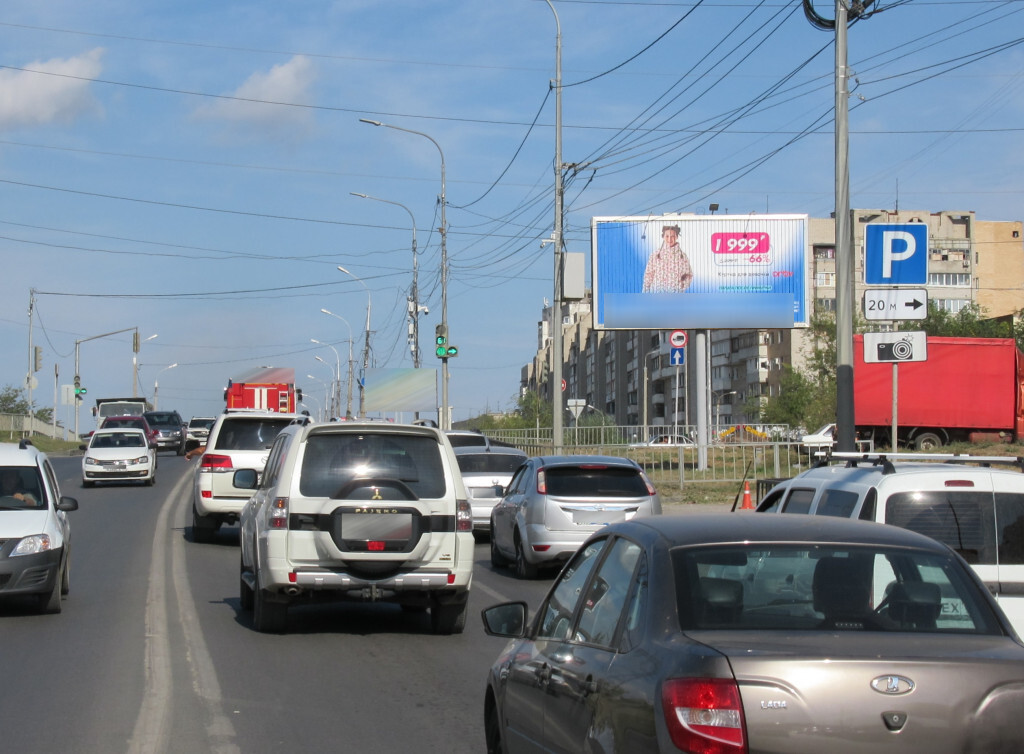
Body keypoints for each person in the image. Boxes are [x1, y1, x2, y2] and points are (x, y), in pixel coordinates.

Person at [642, 224, 693, 293]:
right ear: (663, 237)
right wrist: (645, 292)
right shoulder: (655, 255)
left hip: (675, 295)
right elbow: (648, 275)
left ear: (677, 237)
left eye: (672, 236)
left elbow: (689, 275)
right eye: (667, 236)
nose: (669, 239)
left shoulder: (682, 256)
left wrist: (682, 287)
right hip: (656, 294)